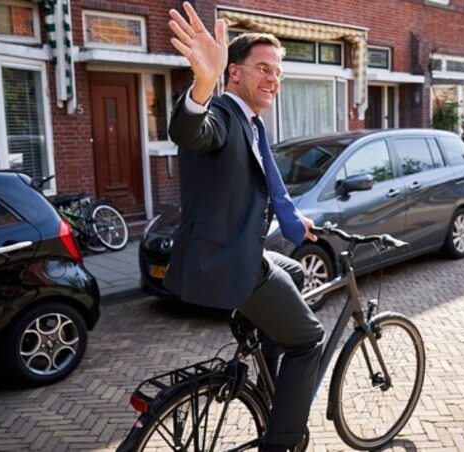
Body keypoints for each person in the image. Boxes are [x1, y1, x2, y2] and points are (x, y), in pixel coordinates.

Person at [163, 3, 325, 451]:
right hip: (229, 263)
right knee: (310, 340)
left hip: (232, 253)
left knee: (291, 272)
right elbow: (191, 130)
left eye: (278, 72)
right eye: (263, 69)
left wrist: (295, 219)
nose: (273, 79)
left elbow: (266, 185)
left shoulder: (251, 124)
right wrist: (202, 81)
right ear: (233, 73)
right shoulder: (222, 116)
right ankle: (284, 441)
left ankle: (273, 384)